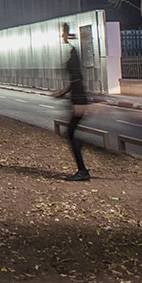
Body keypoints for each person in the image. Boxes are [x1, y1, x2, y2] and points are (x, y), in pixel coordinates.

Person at [54, 24, 91, 182]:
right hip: (77, 95)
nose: (61, 37)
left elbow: (78, 78)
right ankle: (82, 165)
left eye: (63, 33)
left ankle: (82, 170)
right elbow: (76, 78)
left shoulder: (74, 49)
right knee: (70, 133)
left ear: (67, 33)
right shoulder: (72, 50)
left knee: (70, 133)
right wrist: (66, 90)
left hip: (79, 98)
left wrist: (76, 98)